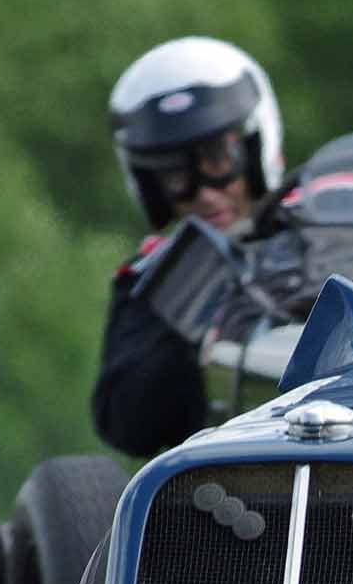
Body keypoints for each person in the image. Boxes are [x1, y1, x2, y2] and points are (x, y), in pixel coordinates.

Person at [92, 36, 295, 458]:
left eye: (218, 162)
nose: (203, 193)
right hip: (228, 488)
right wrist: (187, 307)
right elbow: (127, 426)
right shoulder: (153, 279)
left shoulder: (325, 233)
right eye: (174, 175)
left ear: (254, 150)